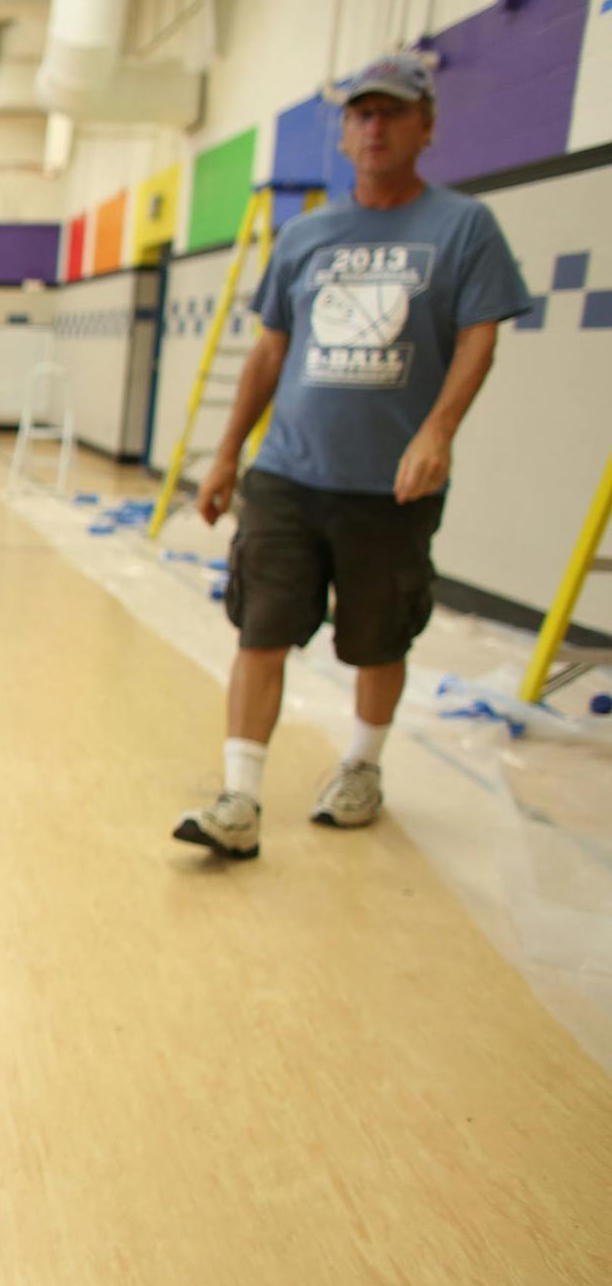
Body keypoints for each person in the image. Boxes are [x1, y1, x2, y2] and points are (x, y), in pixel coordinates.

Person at [174, 53, 531, 859]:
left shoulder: (461, 227)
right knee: (260, 629)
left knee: (378, 638)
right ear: (343, 135)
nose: (375, 127)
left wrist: (437, 431)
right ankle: (239, 797)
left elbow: (481, 339)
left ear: (425, 127)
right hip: (289, 475)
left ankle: (362, 767)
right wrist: (229, 453)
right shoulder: (306, 237)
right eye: (361, 114)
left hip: (389, 489)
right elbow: (270, 352)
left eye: (393, 113)